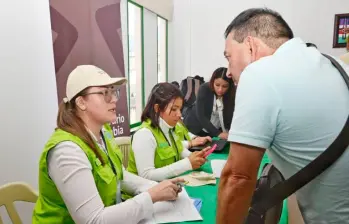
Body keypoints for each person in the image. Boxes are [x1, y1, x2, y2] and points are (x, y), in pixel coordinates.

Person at [217, 8, 349, 224]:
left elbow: (237, 178)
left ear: (250, 45)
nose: (228, 71)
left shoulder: (260, 72)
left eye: (228, 57)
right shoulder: (335, 65)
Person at [32, 65, 184, 224]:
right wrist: (151, 196)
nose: (114, 99)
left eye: (113, 91)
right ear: (81, 102)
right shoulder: (67, 151)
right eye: (104, 93)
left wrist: (156, 188)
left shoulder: (103, 131)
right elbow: (93, 220)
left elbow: (118, 174)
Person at [127, 83, 210, 182]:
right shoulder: (144, 135)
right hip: (145, 193)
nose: (179, 114)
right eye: (174, 109)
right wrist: (187, 164)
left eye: (180, 109)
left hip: (168, 187)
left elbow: (179, 151)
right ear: (157, 108)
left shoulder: (170, 129)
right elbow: (146, 175)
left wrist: (195, 157)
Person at [184, 67, 236, 139]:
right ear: (212, 82)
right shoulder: (204, 89)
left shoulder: (232, 93)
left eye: (225, 86)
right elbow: (201, 116)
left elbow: (231, 116)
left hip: (214, 130)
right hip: (196, 127)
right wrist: (218, 133)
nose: (220, 89)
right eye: (217, 85)